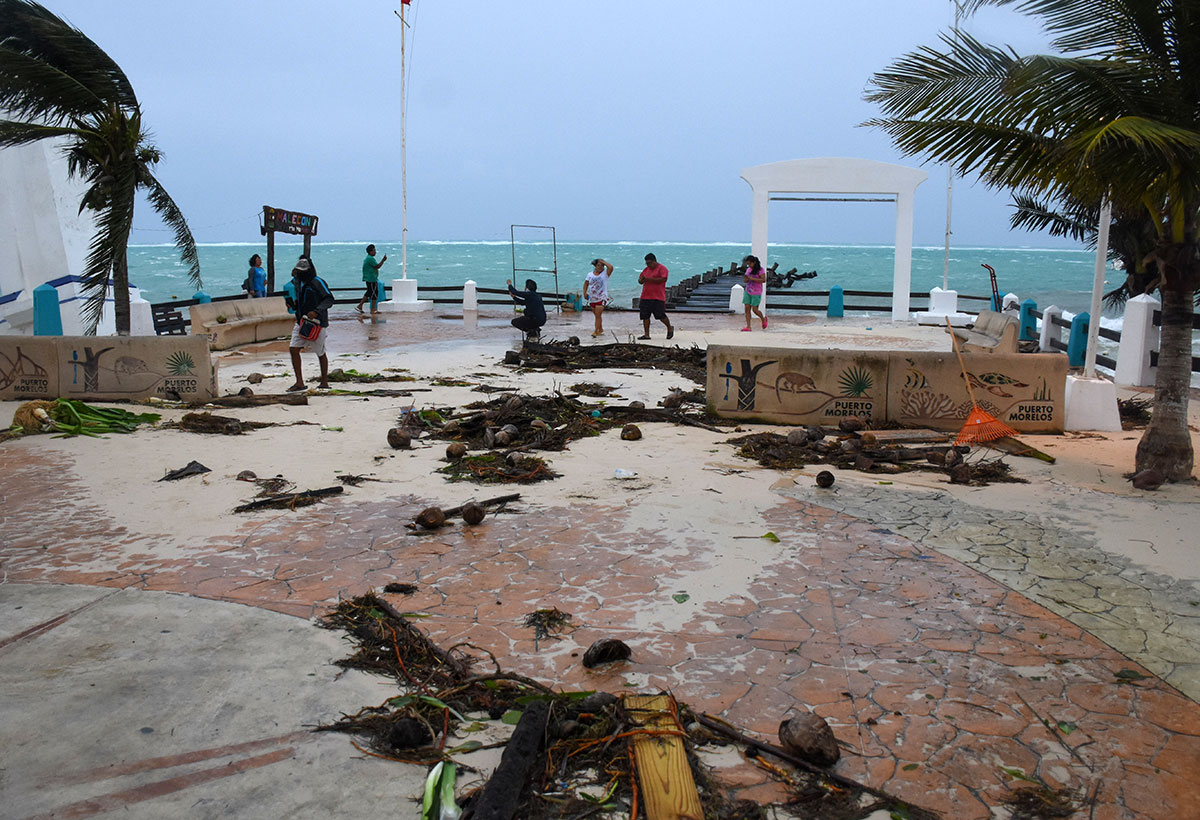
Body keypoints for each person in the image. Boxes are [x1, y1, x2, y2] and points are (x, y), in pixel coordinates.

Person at [287, 256, 335, 392]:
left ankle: (324, 381)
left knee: (320, 351)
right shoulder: (297, 283)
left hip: (317, 322)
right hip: (301, 321)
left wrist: (317, 311)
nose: (299, 274)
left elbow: (329, 299)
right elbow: (301, 300)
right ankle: (299, 382)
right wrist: (294, 305)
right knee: (293, 348)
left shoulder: (317, 282)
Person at [637, 253, 674, 340]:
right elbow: (640, 280)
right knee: (645, 316)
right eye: (647, 263)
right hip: (645, 296)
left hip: (658, 296)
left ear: (654, 261)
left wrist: (648, 279)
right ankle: (646, 334)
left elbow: (663, 279)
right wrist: (641, 280)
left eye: (650, 263)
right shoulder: (646, 270)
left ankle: (669, 327)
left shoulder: (662, 269)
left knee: (660, 315)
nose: (648, 265)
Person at [583, 258, 613, 337]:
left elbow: (611, 267)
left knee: (598, 315)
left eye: (602, 266)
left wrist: (603, 261)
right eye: (598, 265)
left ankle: (596, 331)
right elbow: (586, 284)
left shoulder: (605, 274)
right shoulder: (590, 274)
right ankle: (601, 328)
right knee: (597, 315)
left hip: (602, 297)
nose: (600, 267)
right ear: (595, 266)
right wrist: (584, 293)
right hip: (592, 298)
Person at [356, 244, 388, 314]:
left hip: (369, 278)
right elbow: (377, 266)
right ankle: (372, 309)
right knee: (374, 294)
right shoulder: (370, 258)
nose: (375, 252)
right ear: (370, 252)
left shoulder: (368, 258)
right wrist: (383, 260)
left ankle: (360, 306)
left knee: (370, 292)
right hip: (371, 279)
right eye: (374, 251)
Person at [741, 254, 768, 331]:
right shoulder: (748, 270)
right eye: (748, 264)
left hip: (756, 292)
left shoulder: (761, 270)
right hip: (748, 290)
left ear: (754, 262)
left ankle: (763, 319)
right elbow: (746, 280)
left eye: (750, 263)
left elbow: (763, 280)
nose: (749, 265)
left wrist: (752, 278)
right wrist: (746, 279)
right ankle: (748, 326)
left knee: (755, 310)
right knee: (747, 308)